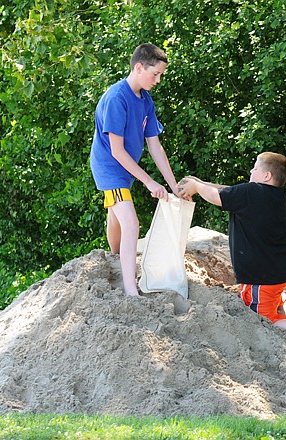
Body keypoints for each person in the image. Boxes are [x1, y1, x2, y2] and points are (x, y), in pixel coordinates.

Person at [178, 152, 286, 346]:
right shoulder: (271, 196)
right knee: (269, 301)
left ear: (267, 176)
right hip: (278, 272)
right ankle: (278, 307)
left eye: (255, 167)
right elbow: (230, 191)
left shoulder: (250, 194)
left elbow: (218, 197)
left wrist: (198, 187)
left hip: (261, 278)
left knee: (261, 320)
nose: (251, 170)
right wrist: (201, 183)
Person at [90, 43, 184, 297]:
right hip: (110, 167)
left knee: (116, 216)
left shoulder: (146, 100)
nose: (158, 80)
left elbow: (155, 146)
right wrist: (150, 183)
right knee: (131, 223)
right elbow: (117, 151)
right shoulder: (116, 98)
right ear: (139, 67)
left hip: (125, 167)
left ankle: (116, 257)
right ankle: (131, 289)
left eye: (161, 75)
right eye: (155, 74)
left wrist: (173, 185)